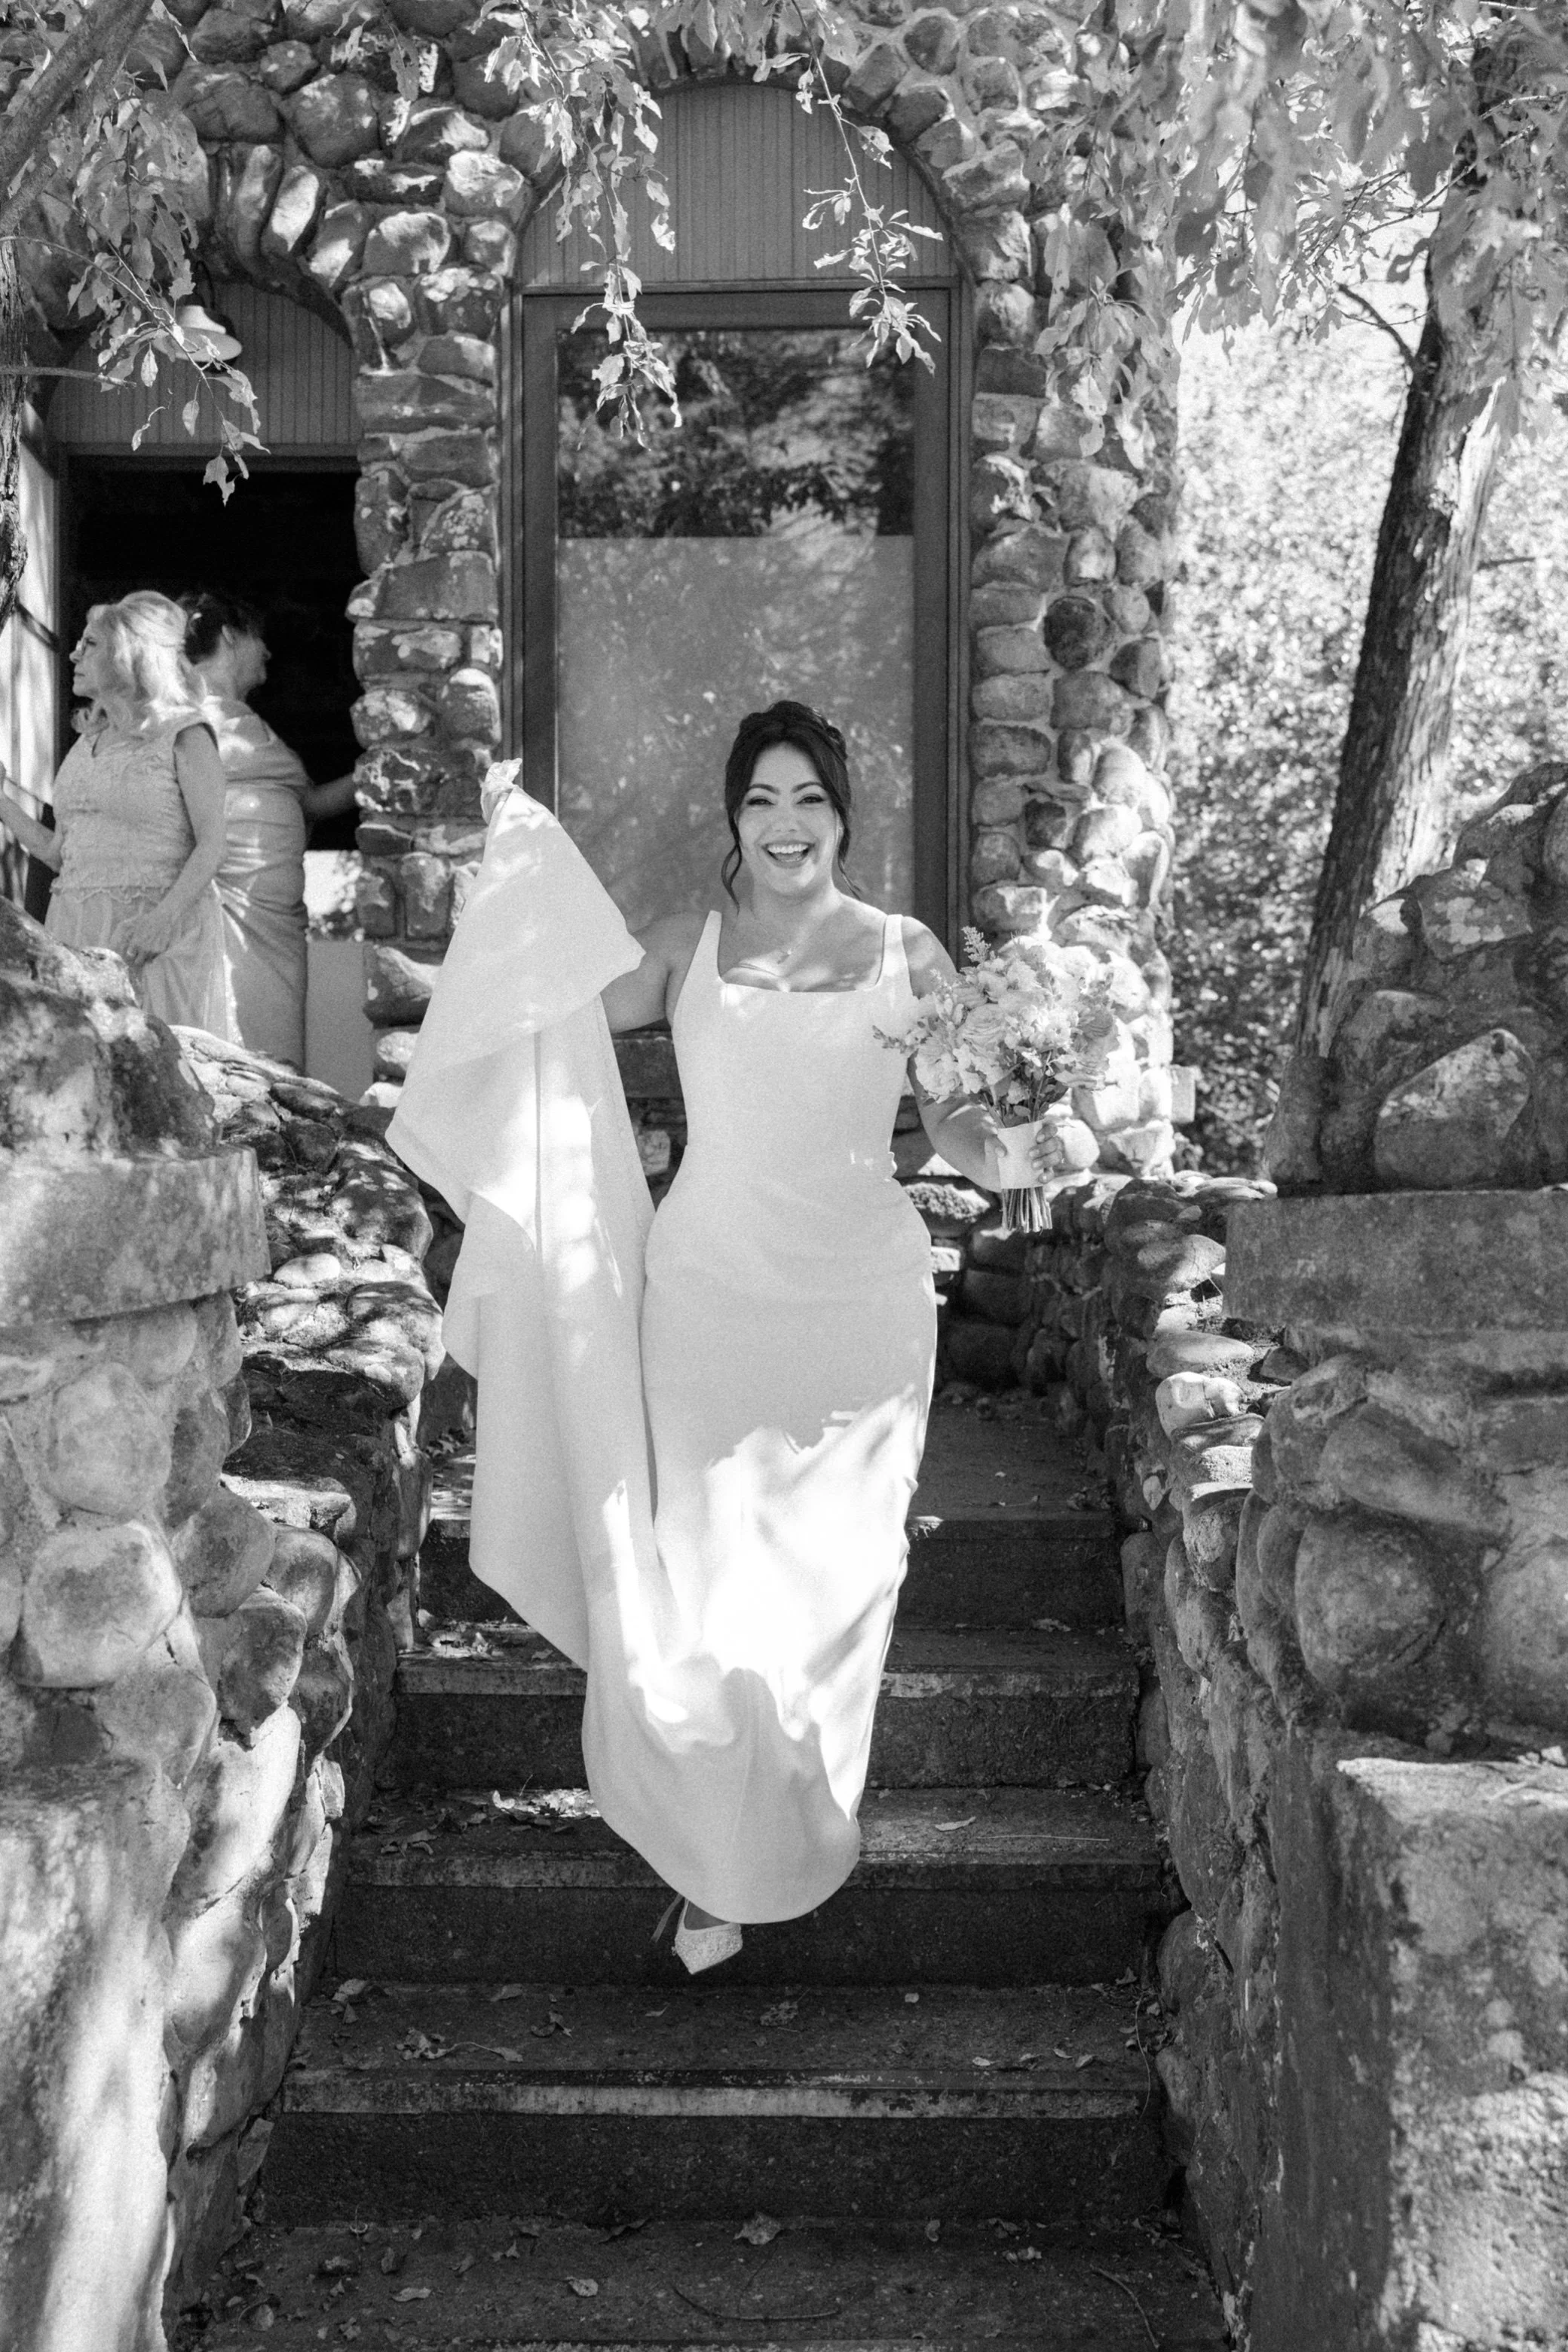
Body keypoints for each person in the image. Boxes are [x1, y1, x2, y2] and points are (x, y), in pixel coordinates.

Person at [389, 702, 1007, 1977]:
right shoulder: (685, 947)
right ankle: (715, 1858)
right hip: (709, 1300)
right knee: (710, 1595)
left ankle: (783, 1843)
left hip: (860, 1318)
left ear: (844, 817)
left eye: (810, 801)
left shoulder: (912, 956)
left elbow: (960, 1135)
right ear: (734, 821)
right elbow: (541, 1017)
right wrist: (515, 860)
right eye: (763, 802)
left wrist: (1039, 1131)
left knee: (838, 1593)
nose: (788, 825)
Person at [0, 590, 234, 1034]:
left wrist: (159, 923)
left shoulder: (185, 734)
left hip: (156, 936)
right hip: (75, 930)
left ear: (129, 654)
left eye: (89, 644)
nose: (72, 654)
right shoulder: (85, 744)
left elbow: (213, 844)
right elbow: (55, 852)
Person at [182, 590, 357, 1069]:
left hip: (277, 923)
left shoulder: (251, 726)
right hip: (216, 909)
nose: (269, 652)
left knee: (276, 1058)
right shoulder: (179, 719)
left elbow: (313, 801)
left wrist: (378, 770)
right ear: (228, 637)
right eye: (259, 638)